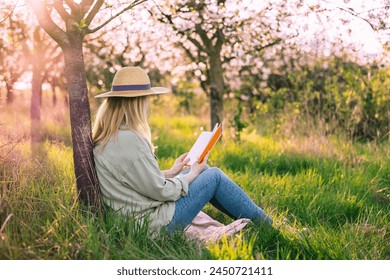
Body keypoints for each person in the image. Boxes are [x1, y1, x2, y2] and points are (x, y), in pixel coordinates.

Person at [92, 66, 272, 234]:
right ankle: (268, 226)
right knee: (213, 176)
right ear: (138, 102)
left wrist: (170, 172)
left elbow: (133, 179)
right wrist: (191, 175)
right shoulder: (129, 140)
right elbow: (160, 191)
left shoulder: (110, 137)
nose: (148, 104)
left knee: (205, 172)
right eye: (146, 99)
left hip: (135, 218)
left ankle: (257, 222)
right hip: (152, 225)